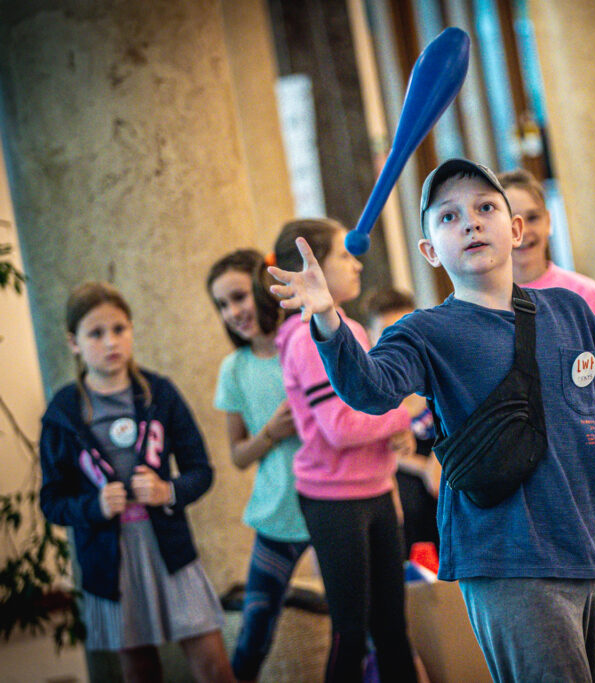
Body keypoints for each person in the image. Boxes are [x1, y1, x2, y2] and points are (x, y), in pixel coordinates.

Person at [268, 158, 595, 682]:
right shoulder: (424, 332)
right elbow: (369, 391)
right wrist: (327, 319)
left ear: (515, 230)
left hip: (593, 549)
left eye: (485, 207)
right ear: (430, 252)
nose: (469, 222)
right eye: (447, 217)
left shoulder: (571, 311)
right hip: (506, 560)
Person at [39, 281, 232, 683]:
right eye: (96, 333)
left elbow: (202, 469)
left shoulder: (160, 393)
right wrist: (93, 506)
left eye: (120, 329)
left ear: (131, 330)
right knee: (140, 670)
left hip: (171, 552)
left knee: (213, 663)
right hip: (110, 563)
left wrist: (170, 491)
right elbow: (52, 501)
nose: (111, 341)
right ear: (74, 343)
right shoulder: (63, 412)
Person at [272, 219, 419, 682]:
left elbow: (369, 407)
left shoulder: (351, 326)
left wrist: (395, 430)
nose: (357, 264)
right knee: (350, 633)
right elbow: (339, 428)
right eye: (344, 255)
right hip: (334, 502)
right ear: (311, 268)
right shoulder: (304, 337)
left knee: (393, 627)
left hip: (374, 491)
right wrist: (403, 413)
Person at [497, 167, 595, 571]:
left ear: (548, 221)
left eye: (532, 217)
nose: (523, 230)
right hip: (527, 477)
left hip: (589, 464)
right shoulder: (486, 301)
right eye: (511, 219)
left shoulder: (583, 294)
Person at [207, 249, 310, 682]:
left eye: (238, 296)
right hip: (275, 519)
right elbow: (237, 456)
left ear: (263, 290)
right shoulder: (233, 370)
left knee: (360, 625)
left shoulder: (305, 342)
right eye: (222, 305)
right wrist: (270, 432)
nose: (233, 312)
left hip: (331, 509)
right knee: (254, 634)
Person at [364, 287, 442, 557]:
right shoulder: (370, 400)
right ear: (370, 337)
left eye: (405, 331)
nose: (397, 343)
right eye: (386, 333)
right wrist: (423, 467)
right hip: (401, 519)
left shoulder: (439, 387)